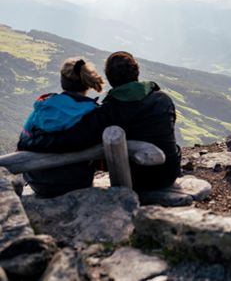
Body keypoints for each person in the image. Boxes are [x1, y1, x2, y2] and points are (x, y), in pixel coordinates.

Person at [18, 51, 181, 193]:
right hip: (169, 173)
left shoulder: (108, 112)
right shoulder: (163, 99)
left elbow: (71, 140)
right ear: (137, 72)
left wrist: (30, 142)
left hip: (136, 180)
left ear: (109, 78)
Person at [19, 58, 105, 197]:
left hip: (38, 182)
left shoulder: (44, 105)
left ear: (62, 82)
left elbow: (23, 140)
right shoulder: (93, 112)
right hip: (76, 182)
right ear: (87, 84)